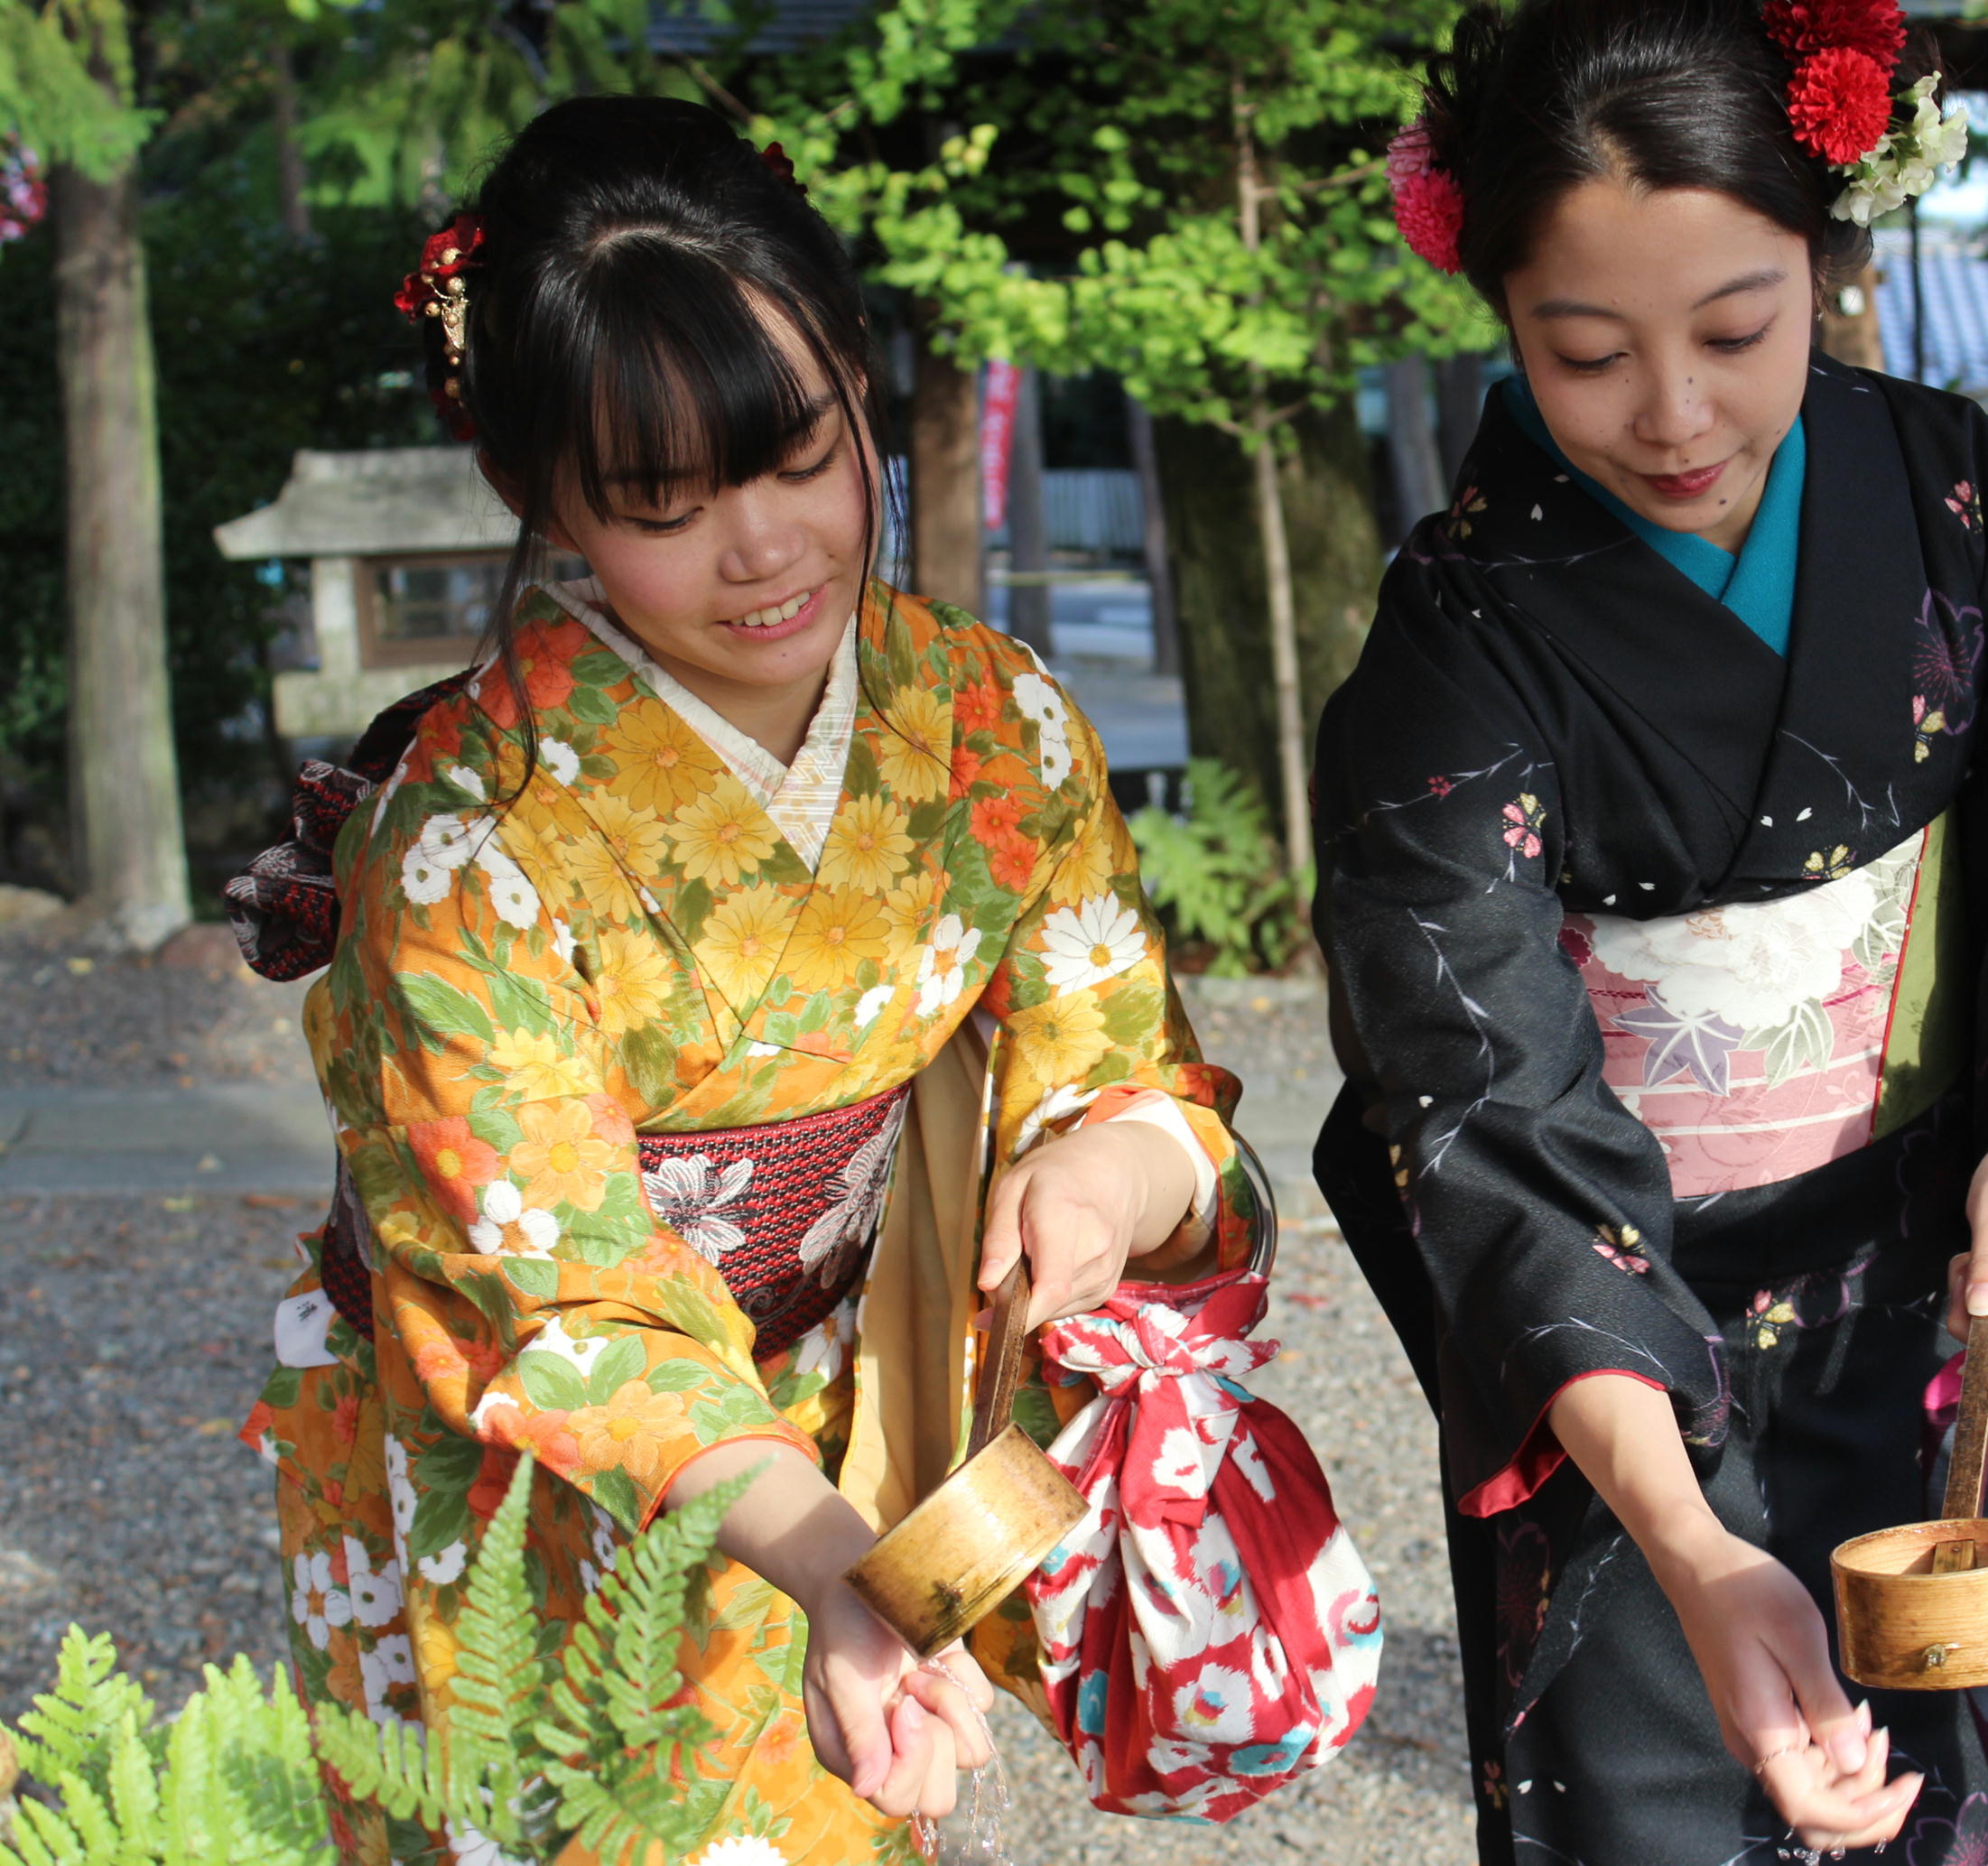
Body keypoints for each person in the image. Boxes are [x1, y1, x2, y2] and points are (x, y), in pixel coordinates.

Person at [235, 95, 1259, 1865]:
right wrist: (814, 1549)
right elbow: (557, 1298)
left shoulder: (993, 722)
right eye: (662, 500)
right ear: (535, 489)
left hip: (856, 1400)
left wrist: (1113, 1169)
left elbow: (1126, 1061)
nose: (762, 545)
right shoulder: (465, 838)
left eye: (799, 454)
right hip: (538, 1439)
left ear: (861, 382)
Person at [1311, 4, 1988, 1862]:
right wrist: (1688, 1535)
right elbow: (1481, 1113)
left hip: (1952, 1287)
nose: (1671, 412)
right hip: (1621, 1342)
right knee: (1653, 1791)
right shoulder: (1455, 650)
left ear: (1820, 251)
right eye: (1585, 353)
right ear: (1498, 310)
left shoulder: (1962, 502)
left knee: (1961, 1797)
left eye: (1736, 330)